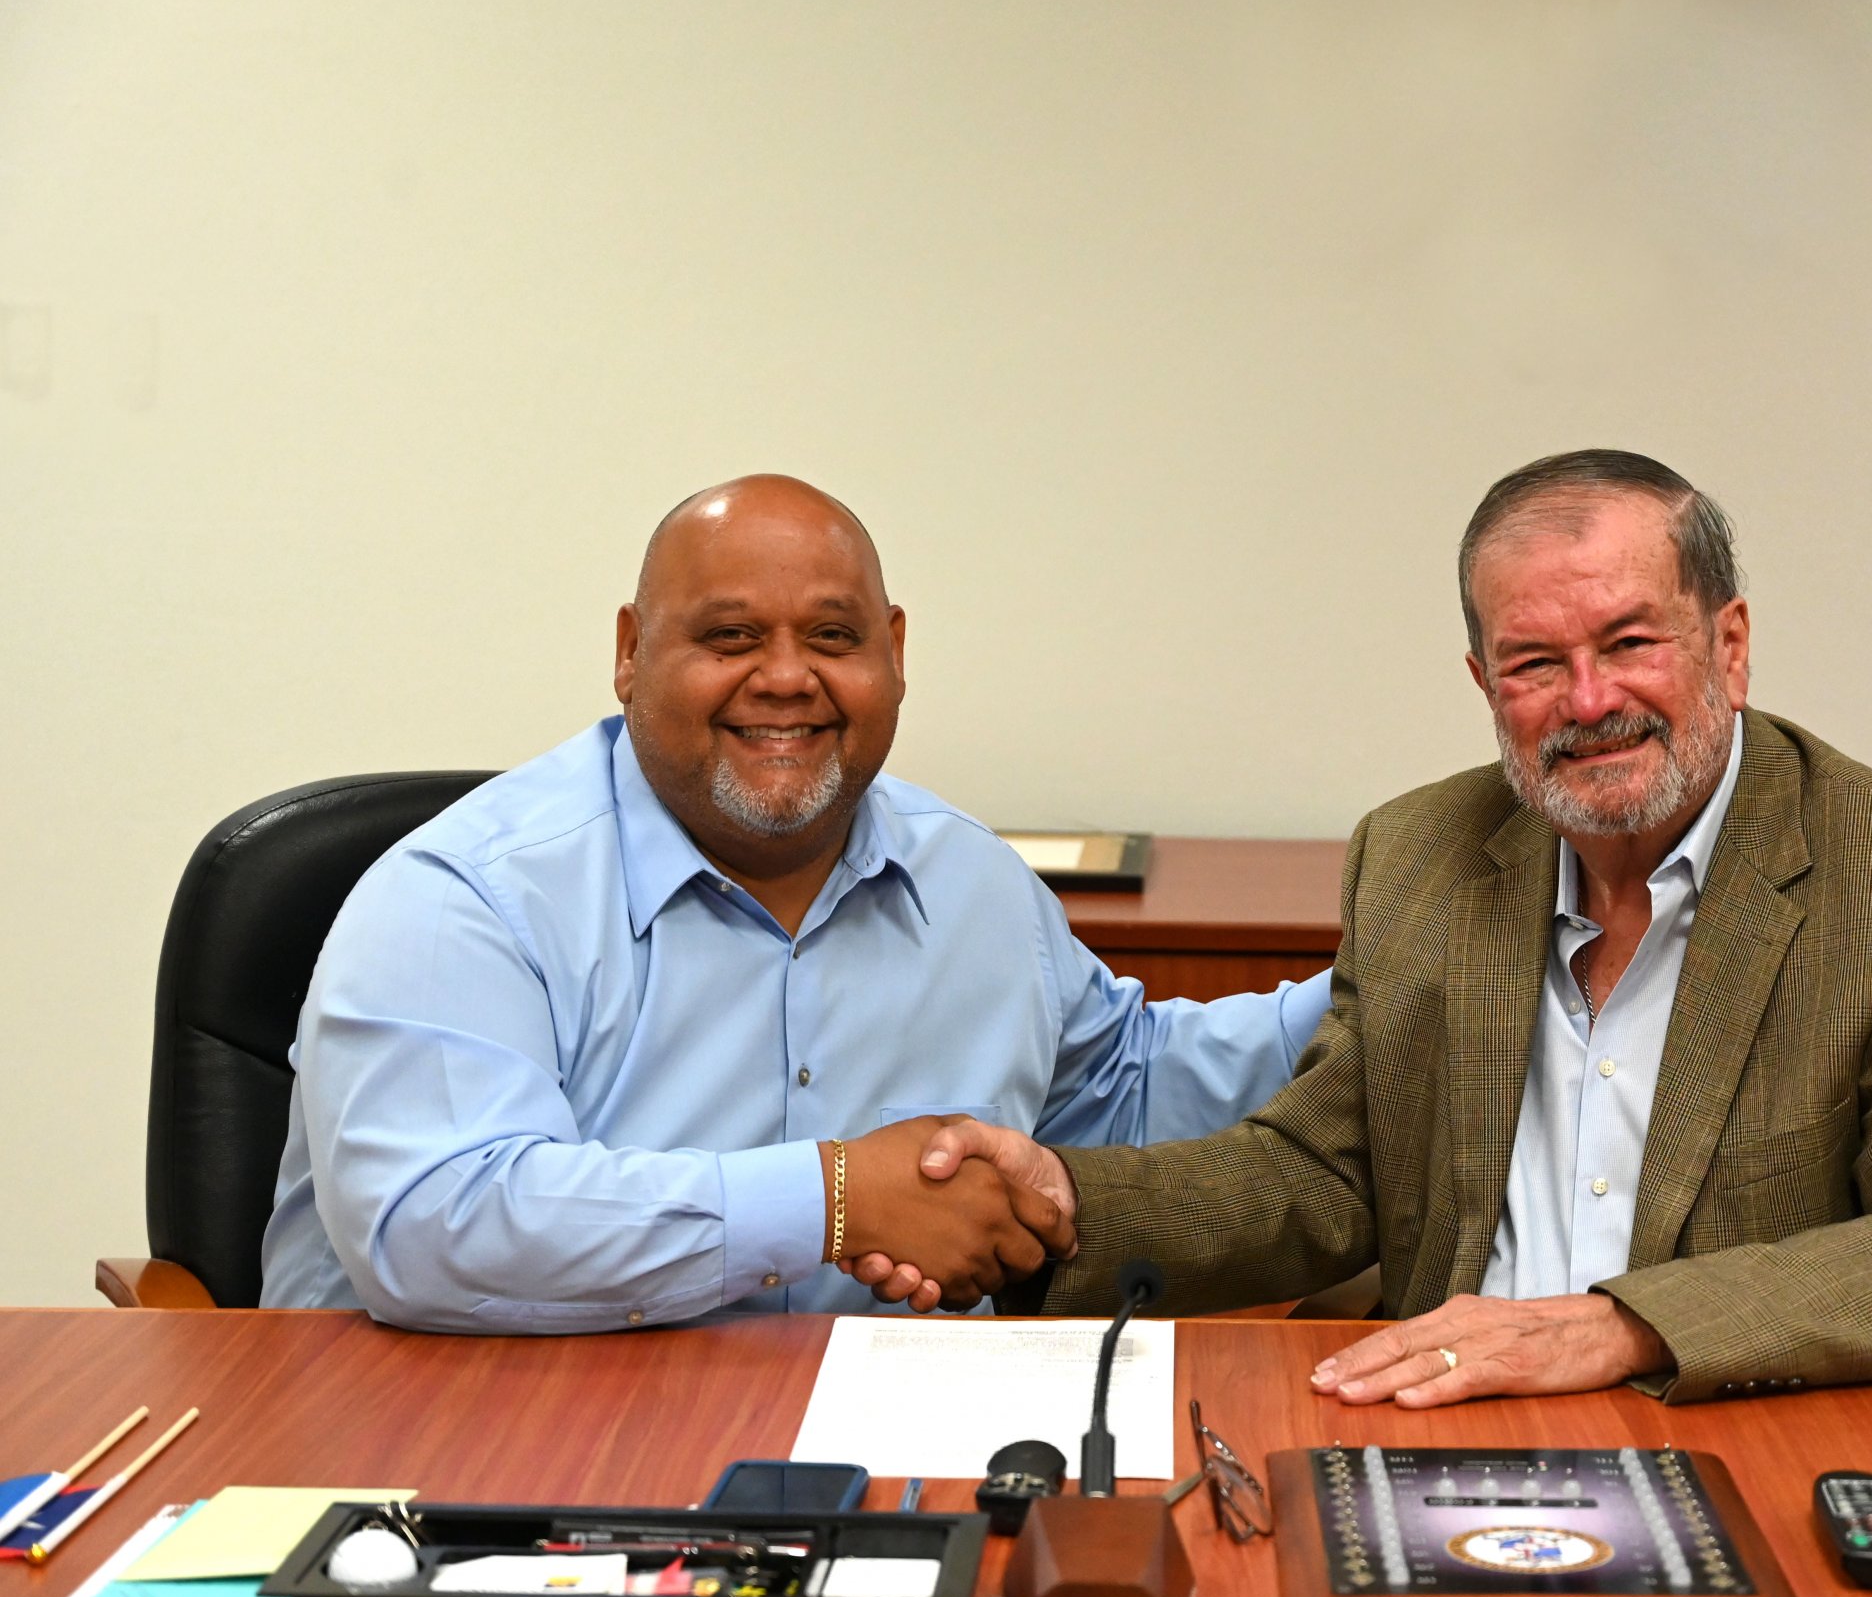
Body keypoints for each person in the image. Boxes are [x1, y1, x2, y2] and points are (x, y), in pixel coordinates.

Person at [895, 450, 1872, 1406]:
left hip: (1730, 1424)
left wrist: (1618, 1326)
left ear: (1728, 643)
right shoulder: (1419, 856)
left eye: (1629, 643)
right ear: (1482, 682)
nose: (1589, 701)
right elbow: (1326, 1177)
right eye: (1534, 663)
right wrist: (1061, 1202)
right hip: (1441, 1423)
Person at [259, 474, 1327, 1332]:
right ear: (630, 651)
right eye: (729, 638)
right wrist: (837, 1198)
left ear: (894, 652)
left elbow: (1127, 1087)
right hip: (467, 1454)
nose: (784, 677)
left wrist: (1383, 986)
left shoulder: (973, 881)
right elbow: (436, 1225)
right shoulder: (464, 895)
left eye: (832, 638)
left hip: (870, 1446)